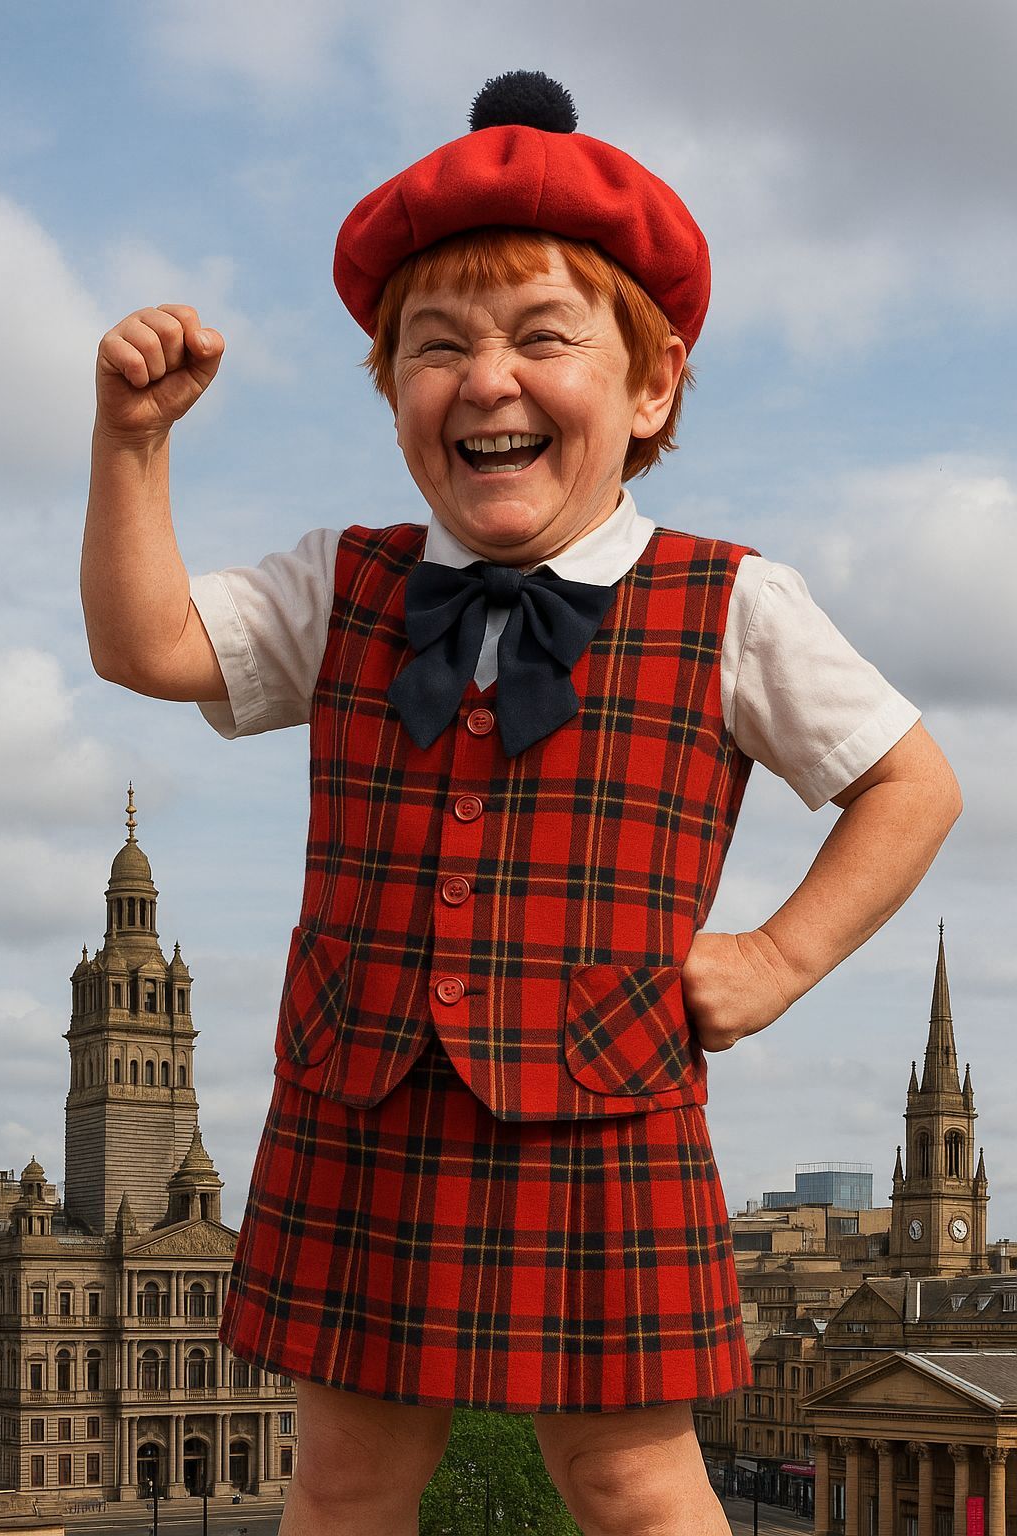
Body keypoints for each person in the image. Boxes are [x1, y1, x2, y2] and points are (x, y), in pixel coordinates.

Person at [81, 71, 961, 1536]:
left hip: (601, 1118)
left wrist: (773, 961)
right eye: (437, 348)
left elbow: (911, 784)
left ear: (651, 386)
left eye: (542, 337)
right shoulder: (342, 578)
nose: (484, 378)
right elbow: (145, 644)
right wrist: (134, 446)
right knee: (350, 1478)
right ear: (393, 393)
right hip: (362, 1104)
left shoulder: (730, 600)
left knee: (625, 1480)